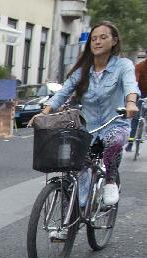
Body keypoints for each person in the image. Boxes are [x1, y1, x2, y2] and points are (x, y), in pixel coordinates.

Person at [41, 21, 139, 211]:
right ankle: (71, 215)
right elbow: (63, 93)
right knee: (76, 168)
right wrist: (44, 112)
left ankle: (110, 180)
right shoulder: (83, 71)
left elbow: (130, 85)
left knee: (114, 142)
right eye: (94, 39)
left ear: (114, 41)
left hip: (115, 123)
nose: (97, 42)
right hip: (88, 128)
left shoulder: (123, 65)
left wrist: (130, 103)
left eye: (103, 37)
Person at [125, 55, 147, 152]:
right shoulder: (139, 66)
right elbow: (134, 82)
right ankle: (130, 143)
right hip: (140, 93)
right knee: (135, 119)